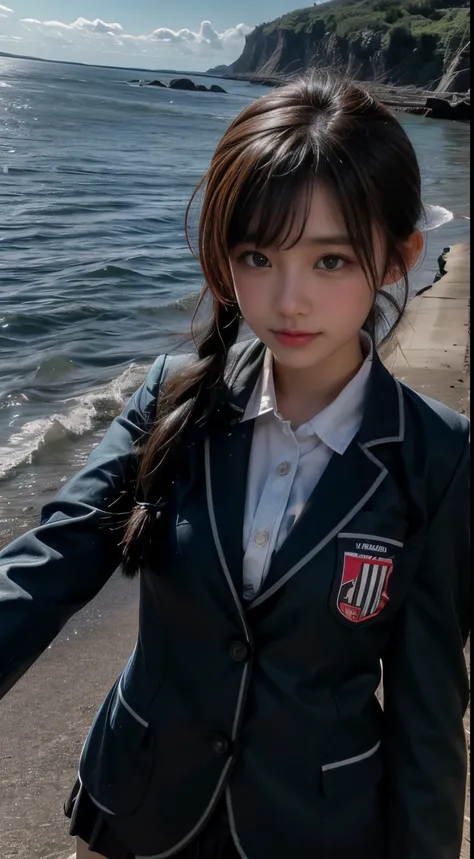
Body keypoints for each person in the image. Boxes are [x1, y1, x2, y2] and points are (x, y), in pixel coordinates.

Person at [0, 72, 469, 859]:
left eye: (331, 261)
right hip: (136, 811)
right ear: (224, 257)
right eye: (258, 255)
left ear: (398, 259)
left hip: (312, 832)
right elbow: (52, 559)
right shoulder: (171, 398)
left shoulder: (439, 457)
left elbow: (428, 715)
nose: (289, 300)